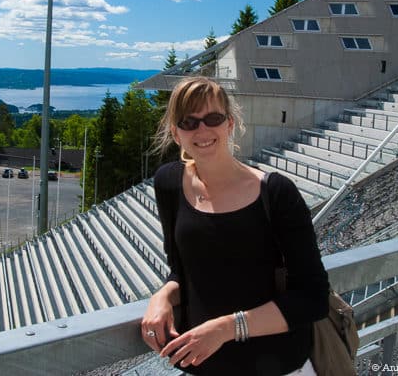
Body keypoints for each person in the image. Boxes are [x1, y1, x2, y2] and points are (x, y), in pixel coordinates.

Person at [141, 76, 329, 375]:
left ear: (229, 123)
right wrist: (161, 296)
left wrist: (226, 328)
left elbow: (313, 298)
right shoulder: (169, 182)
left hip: (278, 366)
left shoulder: (277, 193)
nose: (202, 130)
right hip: (205, 367)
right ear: (176, 133)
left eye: (212, 118)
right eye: (189, 122)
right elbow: (182, 271)